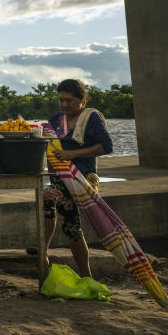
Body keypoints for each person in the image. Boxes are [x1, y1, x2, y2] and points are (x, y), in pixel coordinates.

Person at [43, 78, 114, 277]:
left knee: (61, 215)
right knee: (58, 215)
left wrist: (72, 155)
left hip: (80, 180)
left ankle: (81, 273)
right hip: (59, 179)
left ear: (82, 100)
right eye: (61, 100)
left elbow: (106, 146)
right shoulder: (55, 119)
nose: (64, 105)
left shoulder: (90, 118)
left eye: (69, 101)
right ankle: (46, 255)